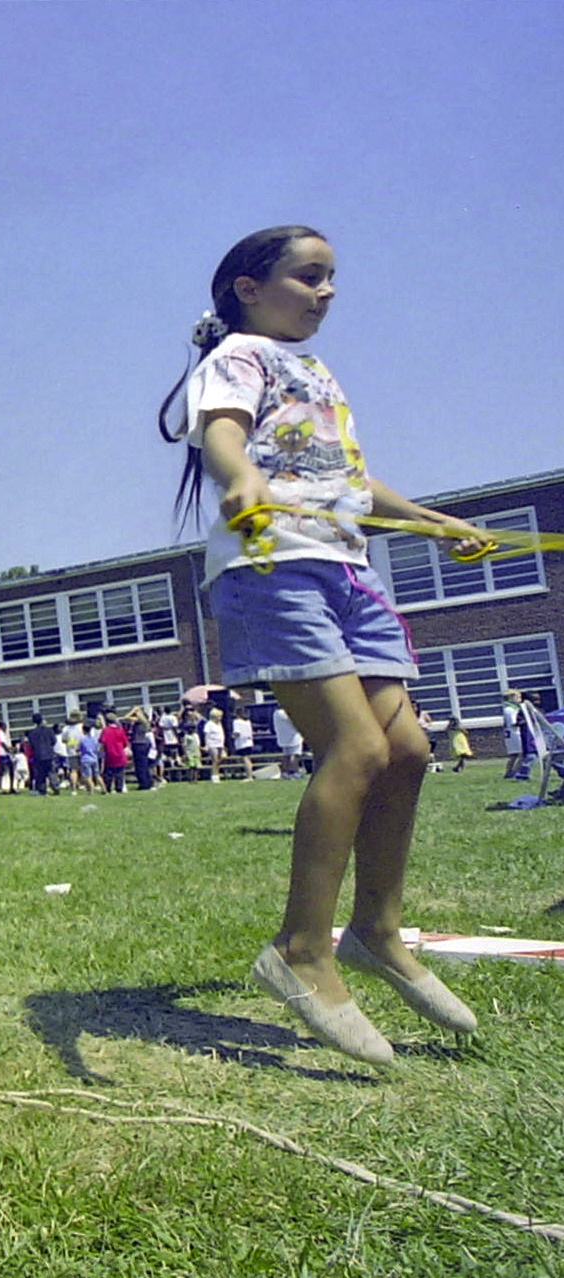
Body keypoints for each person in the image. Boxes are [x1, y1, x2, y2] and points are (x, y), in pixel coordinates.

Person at [158, 224, 483, 1063]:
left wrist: (432, 520)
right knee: (357, 748)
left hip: (348, 569)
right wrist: (241, 477)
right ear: (248, 288)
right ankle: (302, 949)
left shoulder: (318, 373)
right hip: (275, 566)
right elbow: (223, 433)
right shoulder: (237, 358)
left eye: (331, 277)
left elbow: (347, 480)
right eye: (308, 277)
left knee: (408, 750)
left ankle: (376, 931)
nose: (326, 292)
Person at [25, 713, 58, 795]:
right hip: (49, 754)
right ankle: (55, 787)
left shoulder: (32, 733)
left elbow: (31, 745)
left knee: (40, 773)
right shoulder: (49, 730)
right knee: (51, 771)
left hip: (38, 755)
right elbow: (54, 741)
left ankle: (42, 789)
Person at [99, 715, 129, 793]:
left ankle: (108, 788)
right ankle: (119, 788)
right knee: (120, 773)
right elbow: (125, 743)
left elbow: (102, 742)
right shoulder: (120, 730)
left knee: (108, 772)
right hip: (120, 753)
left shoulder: (106, 731)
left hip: (110, 754)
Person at [201, 709, 226, 783]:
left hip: (220, 744)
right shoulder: (209, 724)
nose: (220, 718)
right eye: (219, 716)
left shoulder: (219, 724)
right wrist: (206, 745)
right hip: (212, 744)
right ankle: (214, 776)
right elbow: (206, 735)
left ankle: (217, 773)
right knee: (215, 760)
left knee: (221, 758)